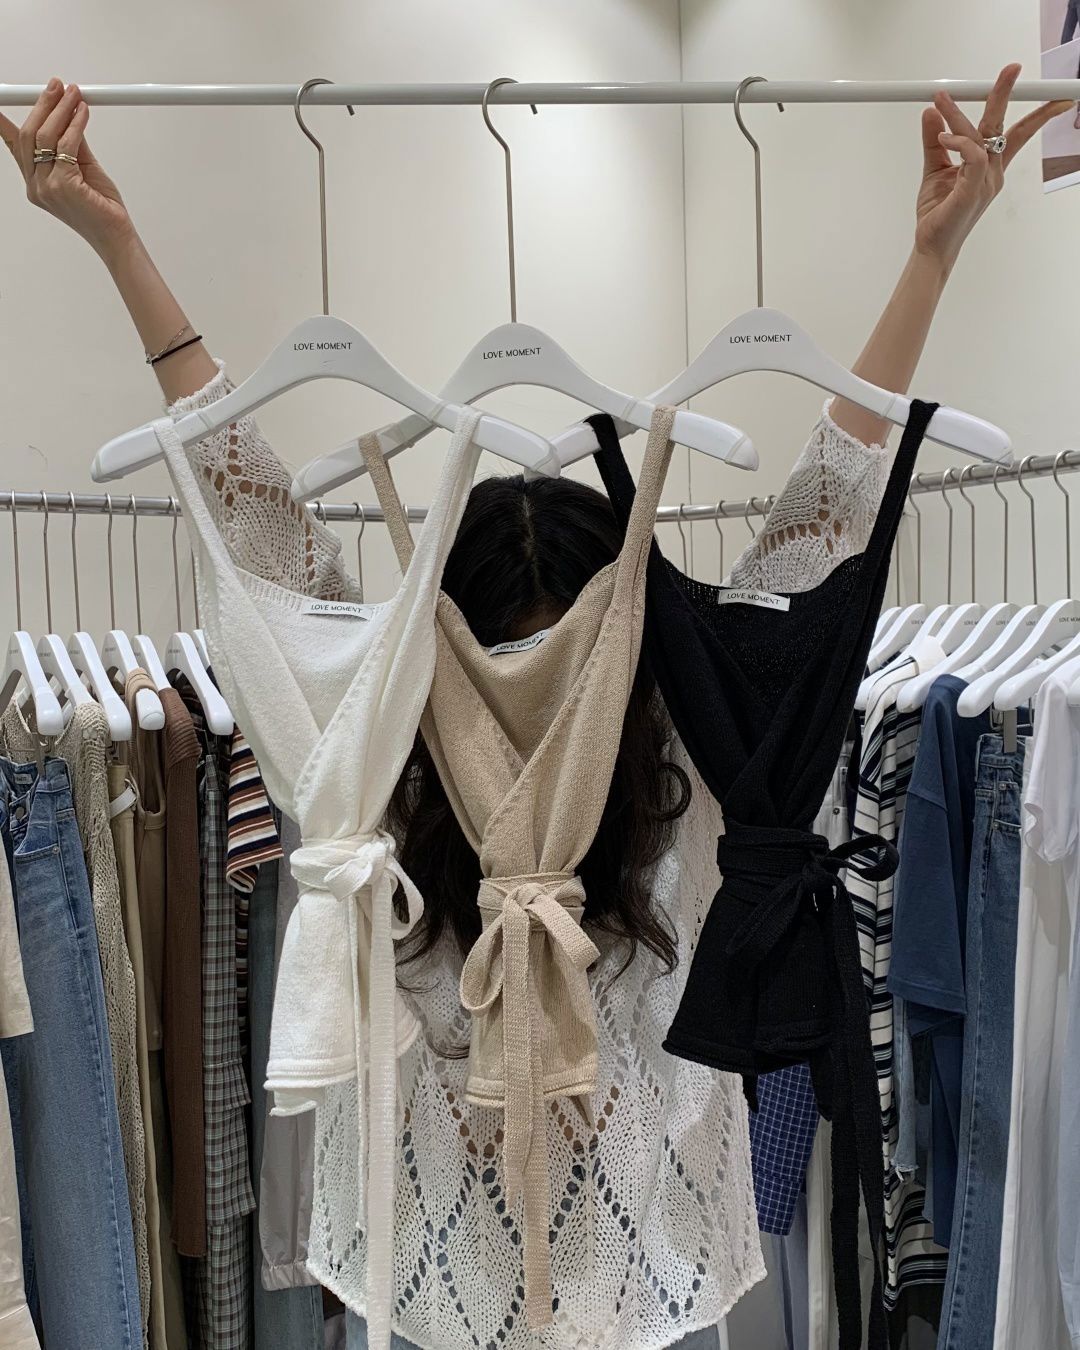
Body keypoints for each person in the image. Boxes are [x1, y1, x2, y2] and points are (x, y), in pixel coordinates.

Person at [0, 65, 1068, 1350]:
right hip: (439, 1282)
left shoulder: (692, 741)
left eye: (571, 669)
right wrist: (119, 248)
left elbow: (818, 527)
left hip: (650, 1273)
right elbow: (259, 528)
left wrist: (931, 263)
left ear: (626, 655)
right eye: (498, 668)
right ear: (441, 657)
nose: (533, 710)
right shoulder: (388, 744)